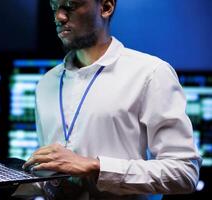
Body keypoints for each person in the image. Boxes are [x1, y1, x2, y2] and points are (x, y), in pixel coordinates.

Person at [15, 0, 202, 199]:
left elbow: (185, 173)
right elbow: (51, 180)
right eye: (54, 7)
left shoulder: (151, 73)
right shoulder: (46, 83)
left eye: (69, 6)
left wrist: (96, 167)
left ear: (106, 7)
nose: (59, 17)